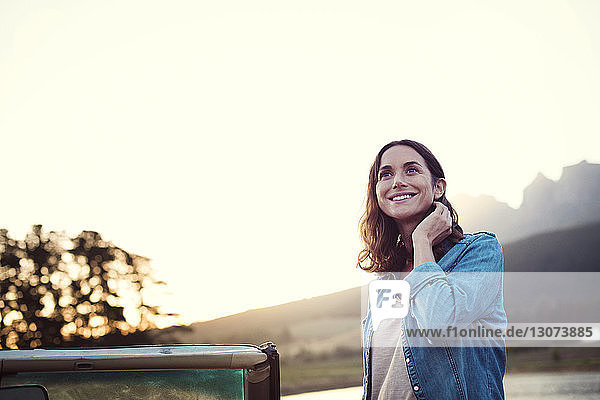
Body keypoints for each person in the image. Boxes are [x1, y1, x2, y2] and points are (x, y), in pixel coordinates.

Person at [358, 140, 506, 400]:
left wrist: (422, 241)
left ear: (438, 188)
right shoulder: (386, 277)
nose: (397, 182)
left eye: (411, 170)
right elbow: (380, 375)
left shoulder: (480, 251)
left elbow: (437, 323)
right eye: (386, 174)